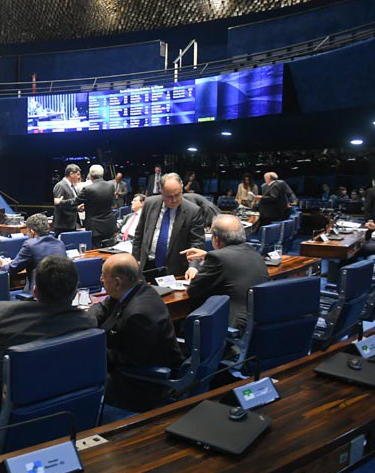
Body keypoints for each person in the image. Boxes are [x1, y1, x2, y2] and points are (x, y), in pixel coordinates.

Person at [0, 255, 96, 424]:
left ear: (34, 290)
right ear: (75, 292)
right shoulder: (87, 322)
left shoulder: (8, 315)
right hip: (61, 404)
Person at [88, 253, 184, 412]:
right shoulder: (139, 289)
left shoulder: (138, 315)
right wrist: (89, 321)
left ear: (118, 282)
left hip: (140, 384)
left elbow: (128, 361)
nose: (101, 280)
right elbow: (103, 306)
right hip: (132, 364)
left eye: (104, 276)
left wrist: (94, 347)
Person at [182, 215, 270, 330]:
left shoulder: (218, 258)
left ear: (216, 239)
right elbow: (233, 260)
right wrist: (207, 255)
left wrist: (210, 258)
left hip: (231, 325)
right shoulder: (254, 253)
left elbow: (193, 291)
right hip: (257, 320)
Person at [131, 173, 205, 279]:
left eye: (178, 195)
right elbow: (139, 233)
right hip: (147, 266)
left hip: (176, 269)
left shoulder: (193, 211)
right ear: (161, 192)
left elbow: (197, 243)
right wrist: (135, 259)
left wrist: (193, 267)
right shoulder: (150, 203)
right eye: (169, 196)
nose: (174, 200)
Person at [1, 212, 66, 292]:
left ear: (32, 232)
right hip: (62, 292)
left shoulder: (30, 245)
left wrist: (3, 265)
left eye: (27, 232)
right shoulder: (60, 243)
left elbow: (13, 269)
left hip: (41, 293)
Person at [78, 164, 117, 249]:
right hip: (109, 224)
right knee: (110, 251)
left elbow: (75, 202)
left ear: (90, 175)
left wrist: (61, 202)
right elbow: (113, 204)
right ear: (102, 174)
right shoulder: (111, 186)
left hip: (94, 227)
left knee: (95, 252)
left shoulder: (87, 189)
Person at [52, 164, 83, 234]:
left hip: (70, 225)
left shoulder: (71, 186)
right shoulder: (60, 186)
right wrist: (75, 206)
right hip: (63, 226)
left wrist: (77, 208)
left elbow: (67, 204)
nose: (79, 177)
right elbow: (59, 204)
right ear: (71, 174)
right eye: (78, 174)